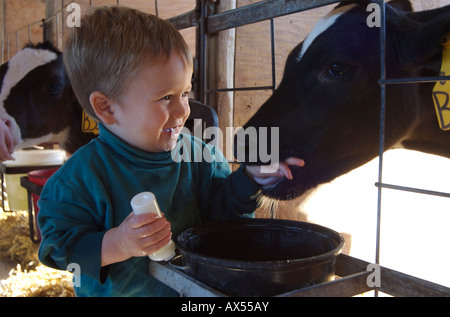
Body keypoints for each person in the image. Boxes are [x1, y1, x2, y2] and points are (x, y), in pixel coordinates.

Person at [37, 6, 304, 297]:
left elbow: (222, 215)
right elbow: (59, 249)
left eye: (185, 93)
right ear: (107, 107)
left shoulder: (200, 157)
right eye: (165, 97)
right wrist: (118, 243)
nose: (182, 111)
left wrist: (250, 179)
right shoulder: (78, 180)